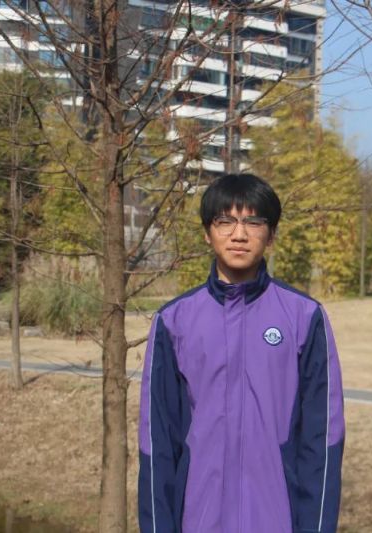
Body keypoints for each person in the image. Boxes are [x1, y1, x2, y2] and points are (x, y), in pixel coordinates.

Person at [138, 173, 345, 533]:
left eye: (253, 222)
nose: (239, 234)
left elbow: (322, 442)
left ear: (271, 234)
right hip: (197, 519)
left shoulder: (304, 317)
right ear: (208, 233)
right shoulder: (174, 321)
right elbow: (157, 445)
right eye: (225, 221)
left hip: (277, 520)